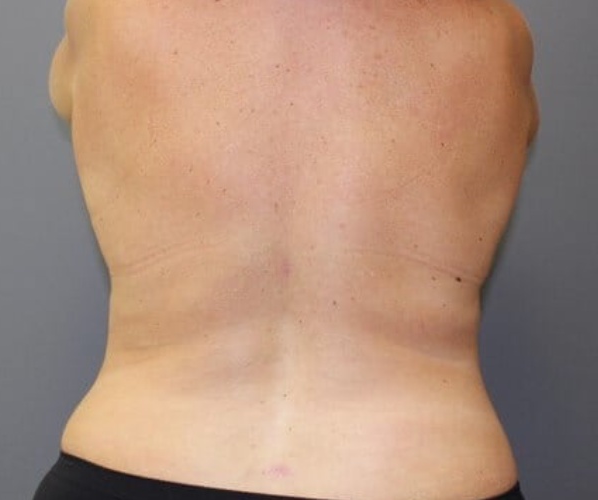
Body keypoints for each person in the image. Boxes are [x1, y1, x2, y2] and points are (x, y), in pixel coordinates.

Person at [34, 1, 539, 499]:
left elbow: (69, 95)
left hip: (139, 457)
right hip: (420, 469)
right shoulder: (497, 35)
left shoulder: (108, 15)